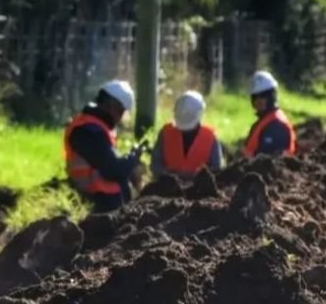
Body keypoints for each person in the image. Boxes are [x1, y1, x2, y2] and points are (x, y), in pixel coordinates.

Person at [63, 79, 146, 213]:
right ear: (113, 106)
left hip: (103, 205)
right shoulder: (88, 130)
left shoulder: (98, 127)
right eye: (121, 112)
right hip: (96, 206)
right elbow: (112, 169)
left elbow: (110, 162)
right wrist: (133, 158)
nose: (120, 118)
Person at [150, 90, 223, 179]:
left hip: (199, 190)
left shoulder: (210, 137)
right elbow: (155, 164)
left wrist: (195, 178)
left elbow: (217, 170)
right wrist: (168, 177)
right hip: (168, 188)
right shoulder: (166, 133)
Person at [243, 70, 297, 158]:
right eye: (255, 97)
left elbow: (274, 160)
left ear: (271, 97)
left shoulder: (278, 125)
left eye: (263, 96)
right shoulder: (261, 123)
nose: (258, 101)